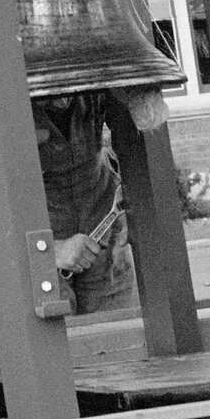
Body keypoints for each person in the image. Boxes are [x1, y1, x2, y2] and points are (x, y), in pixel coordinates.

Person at [32, 90, 134, 315]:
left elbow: (134, 138)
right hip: (38, 261)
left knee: (119, 339)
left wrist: (134, 203)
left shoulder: (94, 85)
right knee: (54, 346)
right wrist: (51, 250)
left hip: (106, 246)